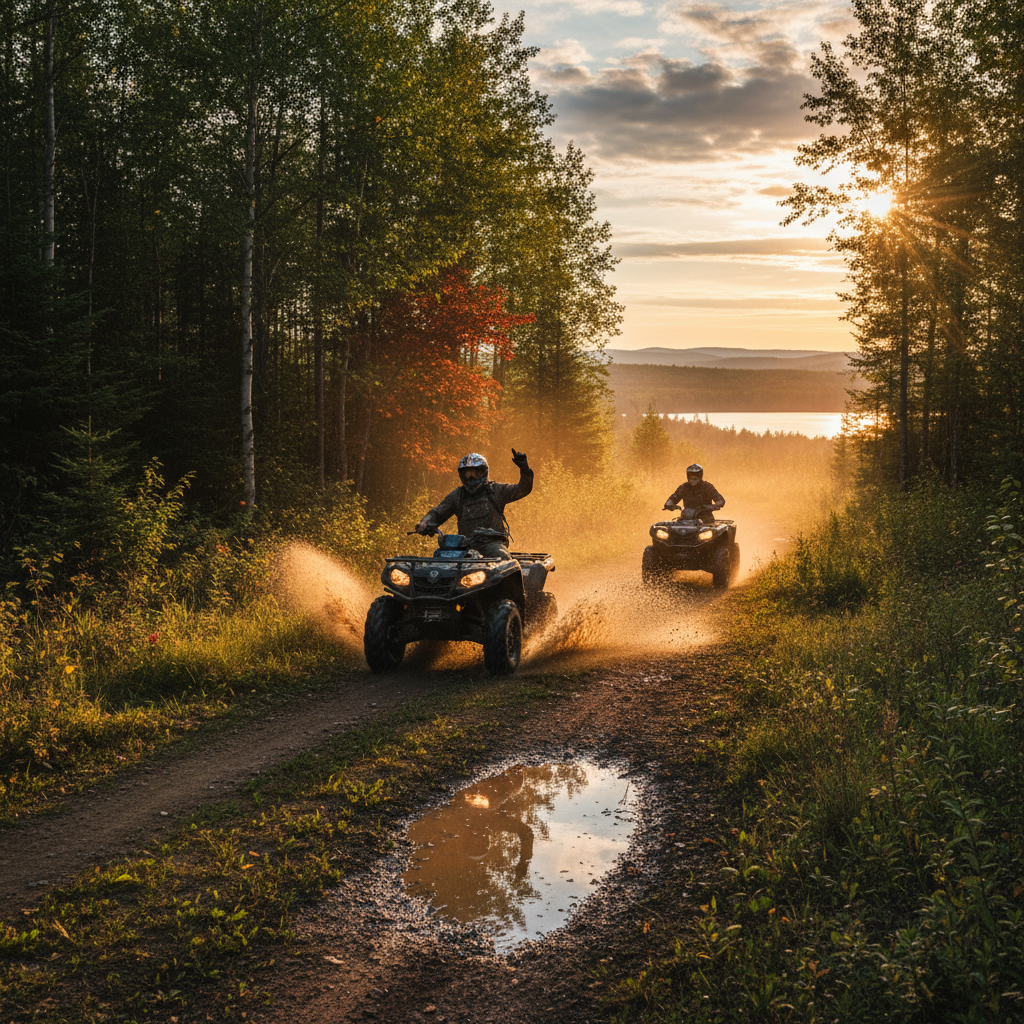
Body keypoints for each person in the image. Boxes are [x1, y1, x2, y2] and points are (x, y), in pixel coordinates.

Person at [415, 449, 533, 558]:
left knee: (502, 558)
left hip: (492, 544)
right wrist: (424, 524)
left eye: (476, 473)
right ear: (462, 474)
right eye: (468, 474)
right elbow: (438, 512)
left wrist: (524, 469)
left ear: (484, 472)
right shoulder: (457, 495)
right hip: (463, 546)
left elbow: (523, 489)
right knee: (439, 558)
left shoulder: (496, 490)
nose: (471, 477)